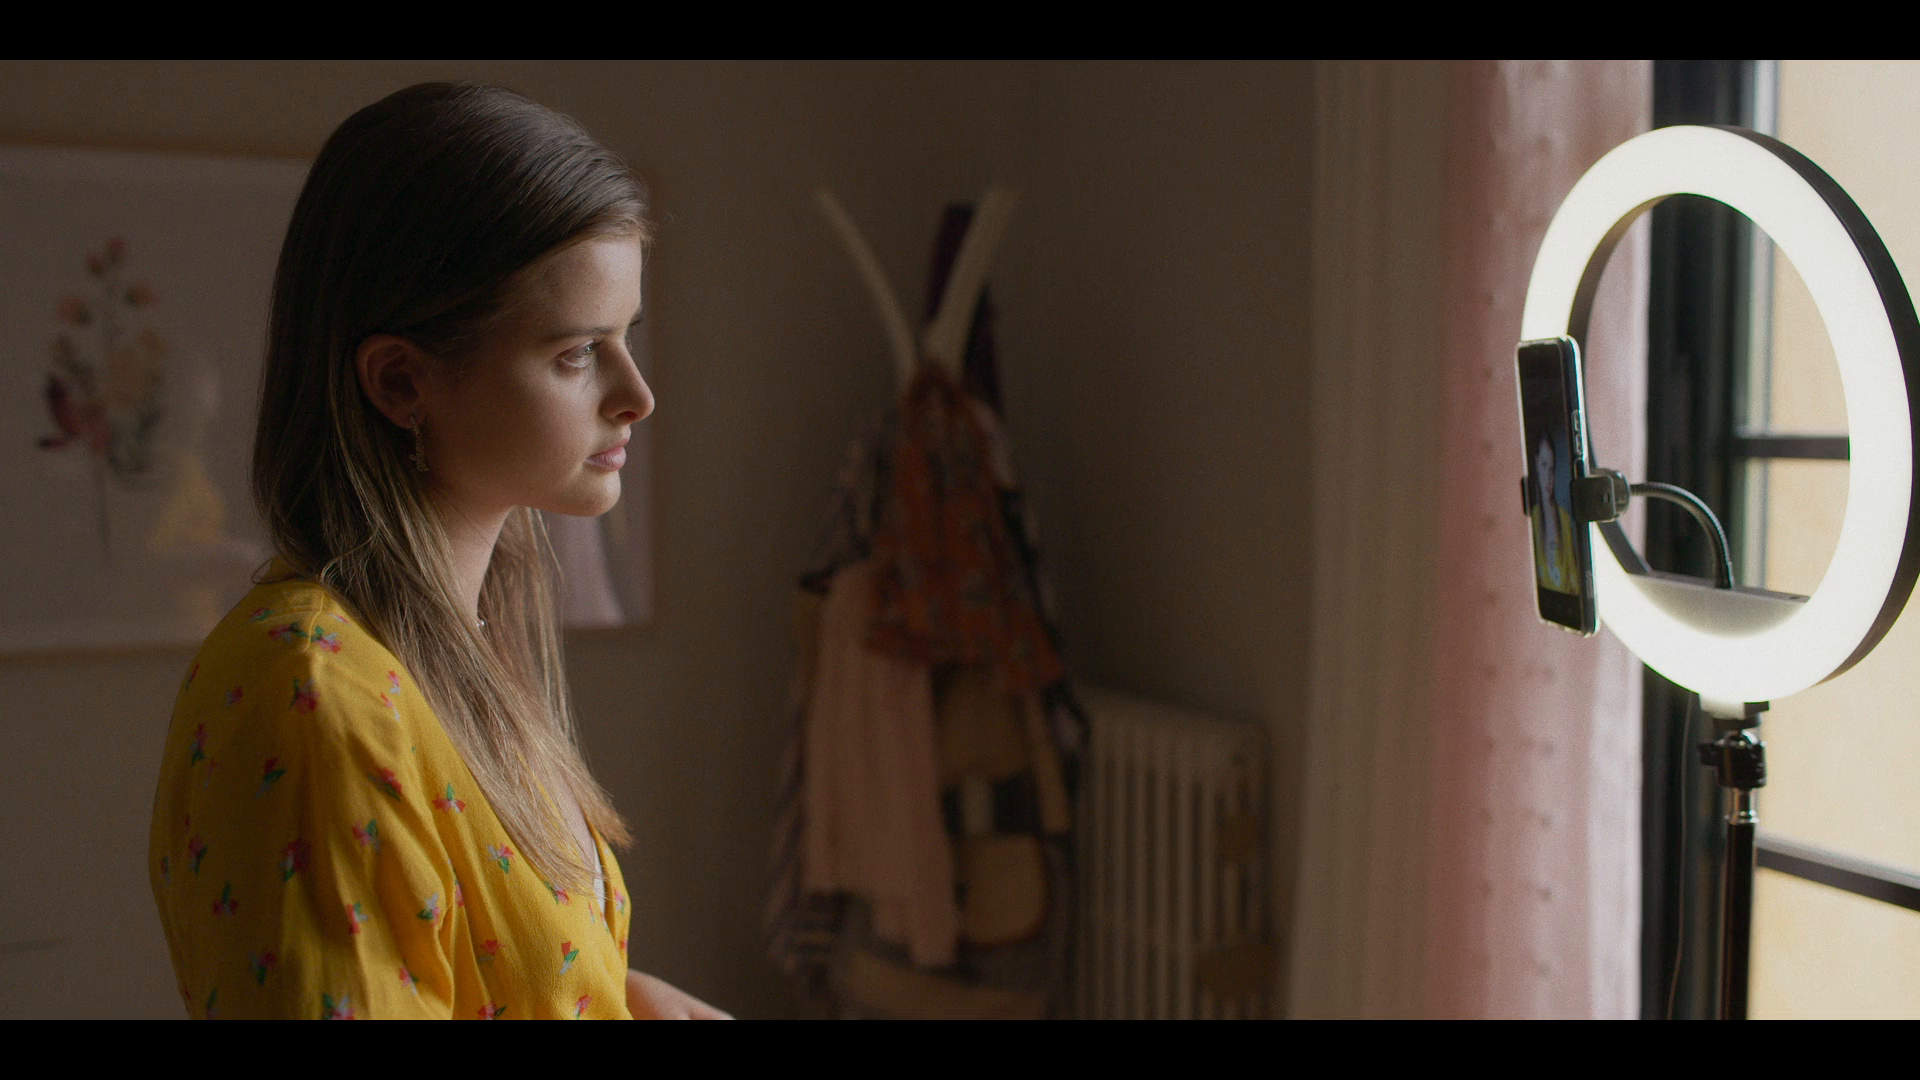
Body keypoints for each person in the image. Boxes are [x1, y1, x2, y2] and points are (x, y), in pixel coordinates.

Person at [147, 82, 728, 1020]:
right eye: (578, 353)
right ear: (401, 383)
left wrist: (618, 999)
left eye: (626, 338)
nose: (637, 395)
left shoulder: (449, 654)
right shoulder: (317, 697)